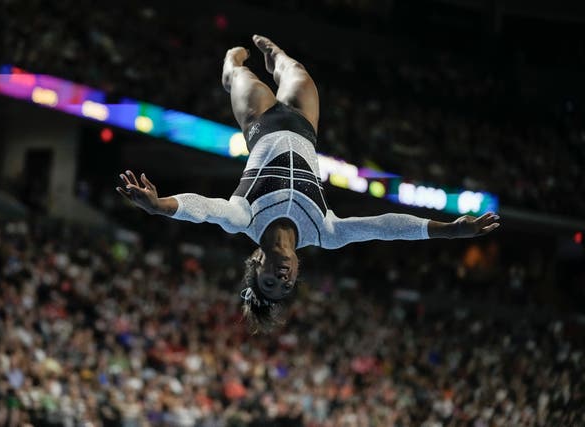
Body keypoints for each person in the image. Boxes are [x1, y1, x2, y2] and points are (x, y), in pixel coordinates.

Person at [116, 35, 500, 332]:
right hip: (304, 126)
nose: (281, 279)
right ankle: (278, 62)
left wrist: (159, 205)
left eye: (269, 281)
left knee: (240, 72)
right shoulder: (324, 232)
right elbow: (385, 227)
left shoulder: (244, 218)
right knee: (295, 69)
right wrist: (447, 232)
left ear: (257, 263)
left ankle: (229, 71)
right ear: (297, 271)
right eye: (286, 285)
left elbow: (202, 209)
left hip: (259, 122)